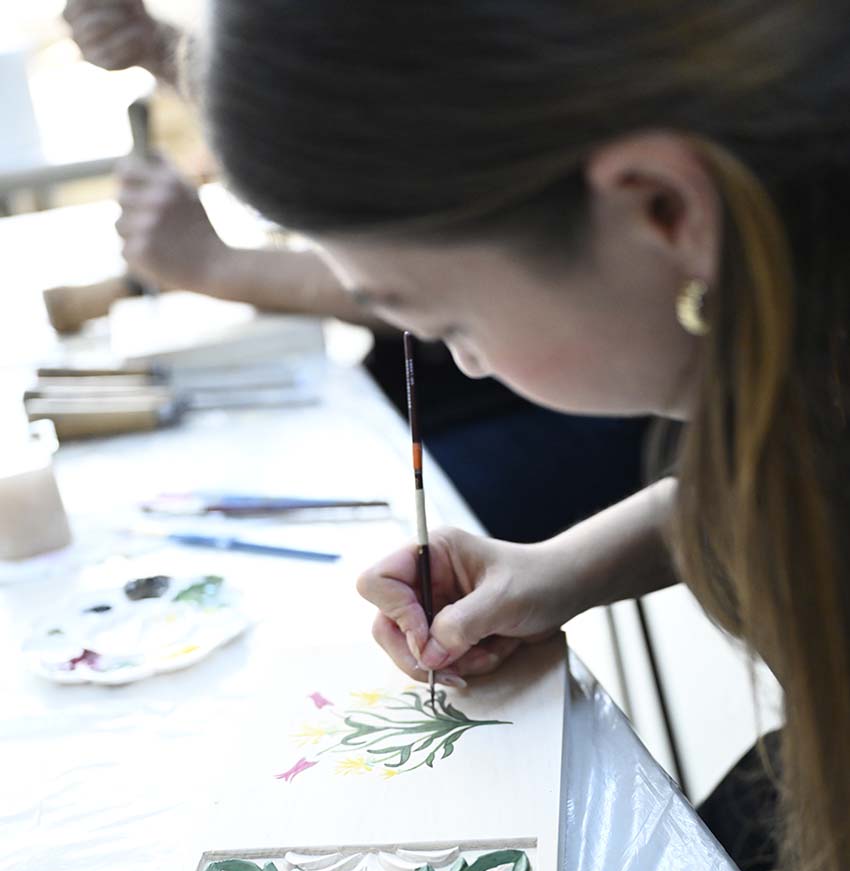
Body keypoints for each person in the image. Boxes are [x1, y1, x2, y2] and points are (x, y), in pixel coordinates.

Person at [199, 1, 850, 871]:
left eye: (448, 322)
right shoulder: (804, 364)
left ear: (662, 211)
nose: (463, 361)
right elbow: (764, 483)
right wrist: (558, 569)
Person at [63, 0, 652, 543]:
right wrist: (171, 55)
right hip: (478, 372)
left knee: (361, 543)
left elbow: (444, 269)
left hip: (576, 403)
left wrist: (218, 266)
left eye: (453, 326)